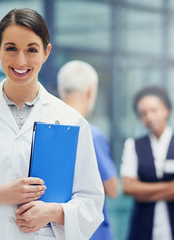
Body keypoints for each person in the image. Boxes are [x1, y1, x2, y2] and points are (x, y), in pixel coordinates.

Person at [0, 8, 104, 240]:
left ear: (46, 52)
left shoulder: (71, 120)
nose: (20, 60)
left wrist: (54, 212)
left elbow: (91, 203)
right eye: (11, 48)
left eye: (31, 49)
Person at [120, 87, 174, 240]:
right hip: (143, 229)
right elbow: (128, 187)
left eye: (154, 110)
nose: (149, 117)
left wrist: (143, 193)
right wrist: (172, 185)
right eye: (143, 114)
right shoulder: (132, 145)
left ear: (167, 110)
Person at [57, 60, 118, 240]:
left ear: (61, 90)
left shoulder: (50, 130)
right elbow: (113, 189)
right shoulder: (91, 134)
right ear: (91, 91)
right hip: (91, 232)